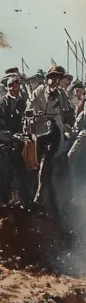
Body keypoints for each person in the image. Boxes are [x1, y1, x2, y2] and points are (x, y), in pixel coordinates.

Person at [30, 64, 74, 212]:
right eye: (53, 79)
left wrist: (68, 124)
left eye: (58, 79)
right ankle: (39, 197)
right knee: (37, 162)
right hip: (39, 130)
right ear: (47, 79)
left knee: (47, 160)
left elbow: (68, 113)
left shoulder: (61, 94)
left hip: (55, 131)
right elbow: (28, 109)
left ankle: (41, 195)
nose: (55, 82)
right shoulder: (39, 92)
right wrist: (31, 118)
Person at [0, 72, 31, 208]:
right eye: (11, 86)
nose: (14, 89)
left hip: (19, 144)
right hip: (4, 145)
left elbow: (26, 122)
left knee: (22, 174)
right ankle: (5, 204)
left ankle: (24, 203)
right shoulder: (1, 104)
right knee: (5, 176)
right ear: (7, 87)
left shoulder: (23, 103)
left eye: (16, 86)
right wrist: (11, 136)